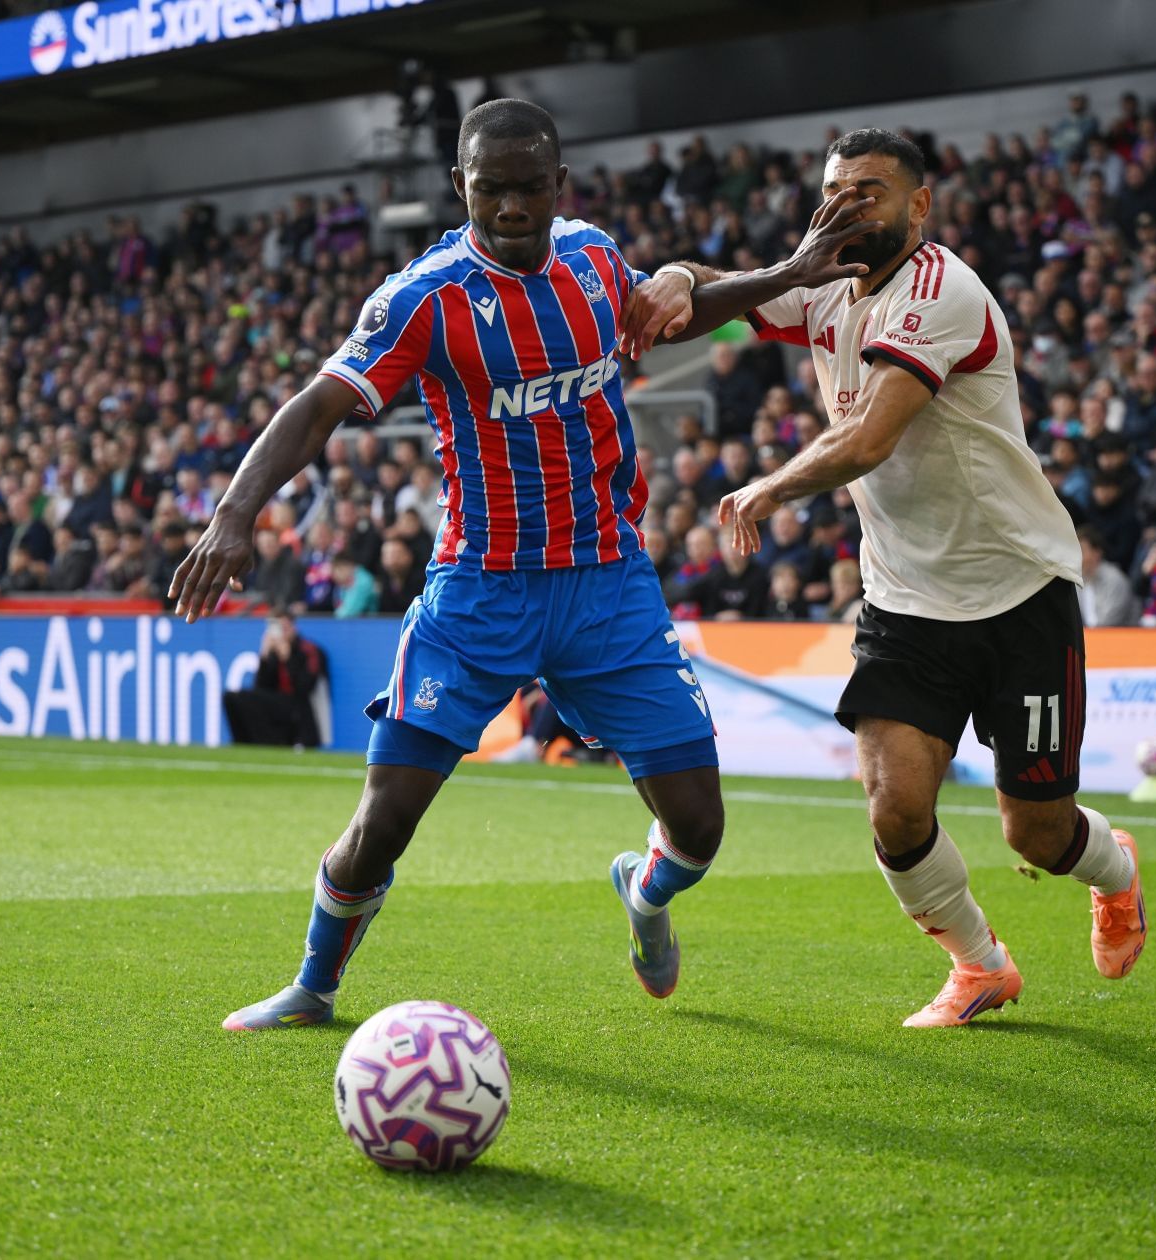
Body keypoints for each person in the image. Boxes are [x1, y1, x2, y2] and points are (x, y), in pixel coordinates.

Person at [170, 101, 842, 1030]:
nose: (514, 207)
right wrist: (234, 516)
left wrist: (789, 274)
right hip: (479, 590)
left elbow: (677, 314)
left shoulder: (597, 261)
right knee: (385, 820)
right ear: (461, 188)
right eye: (493, 190)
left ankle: (643, 894)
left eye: (532, 187)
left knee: (699, 827)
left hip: (608, 583)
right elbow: (319, 402)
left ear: (560, 187)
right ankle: (314, 986)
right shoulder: (425, 297)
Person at [626, 128, 1146, 1028]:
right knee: (895, 810)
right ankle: (980, 965)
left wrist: (770, 486)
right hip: (906, 598)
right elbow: (725, 300)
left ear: (919, 204)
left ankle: (1117, 873)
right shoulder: (824, 280)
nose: (849, 205)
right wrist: (680, 273)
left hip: (1017, 590)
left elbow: (869, 436)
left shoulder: (945, 293)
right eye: (837, 188)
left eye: (870, 190)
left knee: (1038, 830)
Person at [223, 617, 326, 749]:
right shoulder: (273, 652)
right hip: (277, 703)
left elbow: (304, 687)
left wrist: (288, 658)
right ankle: (242, 743)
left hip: (298, 707)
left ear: (294, 628)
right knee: (231, 697)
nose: (281, 634)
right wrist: (264, 656)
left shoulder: (308, 650)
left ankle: (272, 743)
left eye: (285, 628)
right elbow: (259, 687)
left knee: (253, 700)